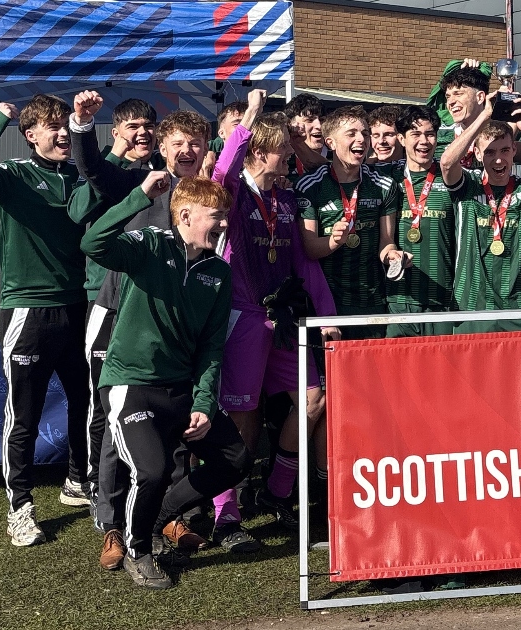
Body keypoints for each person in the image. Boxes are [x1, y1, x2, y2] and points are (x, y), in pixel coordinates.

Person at [82, 171, 250, 589]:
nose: (225, 223)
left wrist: (203, 403)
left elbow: (212, 347)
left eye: (226, 215)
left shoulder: (218, 272)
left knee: (236, 459)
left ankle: (156, 520)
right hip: (130, 384)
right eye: (217, 215)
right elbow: (92, 243)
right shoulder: (149, 245)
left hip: (181, 389)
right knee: (152, 472)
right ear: (187, 215)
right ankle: (138, 550)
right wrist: (138, 197)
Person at [68, 91, 212, 553]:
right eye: (178, 144)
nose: (186, 152)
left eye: (196, 143)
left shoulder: (209, 195)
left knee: (173, 413)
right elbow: (92, 170)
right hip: (117, 313)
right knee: (115, 417)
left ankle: (169, 514)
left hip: (174, 324)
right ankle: (110, 519)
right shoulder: (140, 180)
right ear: (163, 148)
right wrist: (83, 125)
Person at [0, 95, 92, 546]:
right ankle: (20, 507)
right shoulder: (13, 173)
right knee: (24, 413)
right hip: (29, 308)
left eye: (64, 126)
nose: (62, 134)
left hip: (78, 304)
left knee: (85, 400)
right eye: (52, 127)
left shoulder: (77, 174)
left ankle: (77, 481)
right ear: (31, 135)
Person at [212, 90, 340, 539]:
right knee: (243, 419)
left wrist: (327, 317)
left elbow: (305, 264)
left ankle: (276, 491)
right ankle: (225, 509)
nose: (292, 154)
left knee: (314, 398)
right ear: (260, 150)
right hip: (243, 319)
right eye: (285, 148)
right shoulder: (232, 196)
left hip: (283, 319)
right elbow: (223, 169)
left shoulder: (285, 201)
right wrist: (247, 116)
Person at [439, 94, 521, 334]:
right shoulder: (467, 184)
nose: (498, 159)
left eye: (505, 150)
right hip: (470, 305)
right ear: (476, 154)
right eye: (490, 152)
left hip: (515, 306)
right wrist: (485, 114)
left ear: (514, 150)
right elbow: (446, 163)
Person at [296, 106, 400, 340]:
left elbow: (386, 243)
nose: (361, 139)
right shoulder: (309, 186)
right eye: (351, 133)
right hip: (325, 305)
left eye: (365, 133)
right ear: (330, 142)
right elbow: (310, 249)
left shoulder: (384, 185)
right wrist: (334, 241)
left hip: (371, 303)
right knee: (329, 375)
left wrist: (393, 257)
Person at [383, 106, 458, 337]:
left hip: (443, 299)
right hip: (398, 299)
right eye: (415, 134)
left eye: (430, 134)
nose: (424, 141)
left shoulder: (452, 179)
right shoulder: (385, 178)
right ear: (401, 139)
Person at [105, 98, 163, 170]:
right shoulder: (100, 164)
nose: (143, 131)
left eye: (148, 126)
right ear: (116, 135)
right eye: (133, 127)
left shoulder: (167, 162)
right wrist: (114, 157)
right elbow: (94, 180)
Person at [285, 94, 326, 178]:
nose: (319, 126)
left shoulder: (337, 152)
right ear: (292, 125)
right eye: (309, 120)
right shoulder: (283, 157)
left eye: (322, 120)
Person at [202, 101, 245, 177]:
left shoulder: (262, 155)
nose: (245, 129)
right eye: (237, 124)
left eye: (250, 124)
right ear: (221, 133)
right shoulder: (207, 154)